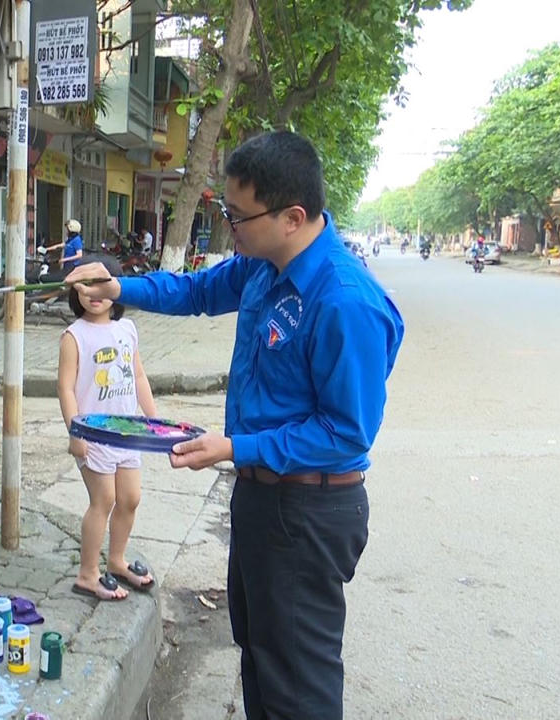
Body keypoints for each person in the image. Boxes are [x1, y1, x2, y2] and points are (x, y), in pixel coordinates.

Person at [66, 131, 403, 719]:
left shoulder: (344, 301)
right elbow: (195, 290)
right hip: (259, 498)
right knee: (260, 657)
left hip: (306, 512)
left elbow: (345, 434)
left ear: (292, 217)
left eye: (238, 216)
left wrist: (233, 447)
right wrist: (120, 287)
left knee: (298, 684)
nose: (230, 227)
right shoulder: (263, 267)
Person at [57, 256, 158, 602]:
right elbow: (65, 388)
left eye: (102, 285)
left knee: (130, 498)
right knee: (104, 499)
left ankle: (117, 560)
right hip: (94, 436)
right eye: (86, 286)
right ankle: (87, 574)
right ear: (76, 292)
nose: (94, 294)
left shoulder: (127, 329)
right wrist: (75, 433)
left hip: (126, 432)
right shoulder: (74, 336)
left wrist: (154, 419)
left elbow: (138, 375)